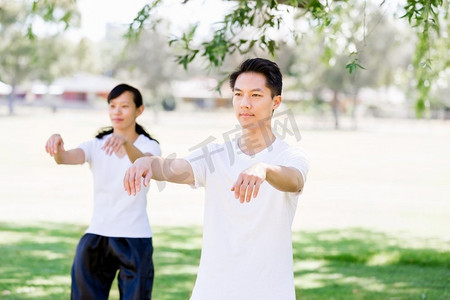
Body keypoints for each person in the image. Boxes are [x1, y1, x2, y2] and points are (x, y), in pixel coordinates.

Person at [123, 58, 309, 300]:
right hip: (213, 290)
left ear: (276, 101)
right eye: (238, 94)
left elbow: (294, 180)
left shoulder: (290, 155)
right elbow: (173, 168)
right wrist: (147, 162)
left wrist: (264, 169)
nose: (244, 103)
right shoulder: (215, 154)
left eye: (255, 95)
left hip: (270, 291)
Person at [45, 83, 161, 300]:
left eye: (124, 106)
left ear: (139, 110)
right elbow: (66, 158)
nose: (117, 111)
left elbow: (144, 162)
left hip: (134, 237)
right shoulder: (97, 145)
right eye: (112, 105)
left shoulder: (150, 146)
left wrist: (125, 143)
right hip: (97, 235)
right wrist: (57, 145)